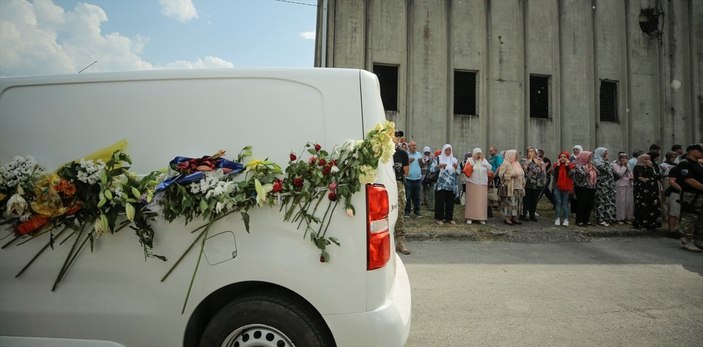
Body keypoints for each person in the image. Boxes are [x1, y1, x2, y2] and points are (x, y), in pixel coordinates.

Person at [674, 144, 703, 252]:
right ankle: (687, 240)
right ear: (691, 151)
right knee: (690, 217)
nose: (702, 152)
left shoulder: (699, 164)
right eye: (700, 150)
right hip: (690, 195)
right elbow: (688, 179)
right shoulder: (684, 163)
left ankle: (698, 239)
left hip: (700, 195)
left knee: (700, 218)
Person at [632, 153, 662, 230]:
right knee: (641, 205)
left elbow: (658, 176)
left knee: (652, 205)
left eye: (648, 159)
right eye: (645, 159)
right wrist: (650, 178)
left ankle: (652, 223)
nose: (648, 161)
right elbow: (640, 178)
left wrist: (651, 168)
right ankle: (640, 223)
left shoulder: (652, 167)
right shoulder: (637, 167)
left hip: (652, 190)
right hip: (641, 190)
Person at [392, 130, 411, 254]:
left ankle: (400, 243)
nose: (398, 137)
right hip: (383, 184)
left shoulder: (402, 153)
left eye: (399, 136)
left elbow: (406, 172)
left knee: (399, 212)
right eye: (395, 135)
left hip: (398, 184)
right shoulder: (382, 152)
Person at [463, 148, 492, 224]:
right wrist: (474, 160)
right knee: (472, 201)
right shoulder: (470, 160)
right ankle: (470, 217)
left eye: (480, 153)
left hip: (482, 183)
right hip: (472, 183)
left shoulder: (483, 160)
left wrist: (483, 160)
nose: (478, 155)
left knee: (481, 201)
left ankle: (481, 217)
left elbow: (490, 168)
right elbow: (466, 169)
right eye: (477, 153)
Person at [431, 144, 459, 225]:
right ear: (443, 150)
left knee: (450, 202)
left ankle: (449, 218)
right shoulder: (438, 159)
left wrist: (456, 167)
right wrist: (438, 166)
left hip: (451, 185)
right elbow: (432, 169)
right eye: (446, 150)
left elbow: (459, 172)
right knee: (440, 202)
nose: (448, 152)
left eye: (449, 150)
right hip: (441, 184)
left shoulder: (454, 160)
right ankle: (438, 218)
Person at [497, 149, 526, 225]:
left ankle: (514, 218)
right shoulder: (505, 163)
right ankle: (507, 219)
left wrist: (523, 184)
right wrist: (511, 176)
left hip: (519, 187)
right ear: (511, 155)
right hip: (510, 187)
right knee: (510, 203)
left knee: (517, 203)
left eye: (517, 155)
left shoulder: (517, 163)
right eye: (515, 155)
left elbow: (522, 174)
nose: (517, 156)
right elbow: (501, 175)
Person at [520, 146, 546, 222]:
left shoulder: (540, 159)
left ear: (535, 152)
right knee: (526, 199)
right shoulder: (524, 160)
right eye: (529, 151)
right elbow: (524, 168)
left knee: (534, 200)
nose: (531, 153)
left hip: (538, 183)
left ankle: (532, 215)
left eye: (532, 151)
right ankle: (523, 215)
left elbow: (543, 169)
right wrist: (529, 161)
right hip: (528, 183)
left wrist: (535, 160)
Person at [573, 151, 598, 226]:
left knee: (589, 204)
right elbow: (582, 175)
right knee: (582, 204)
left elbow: (598, 174)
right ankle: (579, 221)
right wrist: (590, 169)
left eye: (590, 157)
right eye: (589, 157)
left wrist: (593, 168)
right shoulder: (578, 165)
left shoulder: (590, 165)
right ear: (584, 157)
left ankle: (586, 220)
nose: (590, 158)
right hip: (582, 187)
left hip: (591, 186)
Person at [593, 147, 616, 227]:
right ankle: (600, 219)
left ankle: (608, 218)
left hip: (608, 186)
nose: (607, 155)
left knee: (608, 203)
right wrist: (607, 162)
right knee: (601, 203)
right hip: (602, 186)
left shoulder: (606, 163)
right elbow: (606, 170)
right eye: (605, 153)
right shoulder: (597, 163)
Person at [552, 151, 575, 226]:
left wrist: (566, 166)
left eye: (564, 157)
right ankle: (557, 218)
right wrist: (558, 166)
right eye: (561, 157)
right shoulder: (556, 165)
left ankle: (566, 219)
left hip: (567, 187)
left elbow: (571, 175)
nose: (562, 158)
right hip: (557, 186)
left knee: (565, 204)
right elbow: (554, 174)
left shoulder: (571, 165)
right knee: (558, 202)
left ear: (567, 158)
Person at [611, 152, 634, 224]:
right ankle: (620, 218)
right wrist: (623, 166)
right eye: (622, 158)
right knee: (621, 202)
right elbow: (619, 173)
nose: (624, 159)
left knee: (628, 202)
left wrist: (631, 176)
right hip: (620, 185)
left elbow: (630, 173)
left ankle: (628, 217)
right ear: (619, 158)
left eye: (625, 158)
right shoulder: (615, 165)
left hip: (628, 184)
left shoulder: (628, 165)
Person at [404, 141, 423, 218]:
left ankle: (417, 211)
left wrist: (421, 162)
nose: (414, 147)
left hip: (417, 179)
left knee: (417, 196)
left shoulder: (419, 154)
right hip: (408, 179)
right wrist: (408, 161)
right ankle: (407, 211)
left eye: (415, 145)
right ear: (409, 147)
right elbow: (403, 165)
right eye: (412, 145)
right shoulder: (406, 154)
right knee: (407, 196)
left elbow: (421, 165)